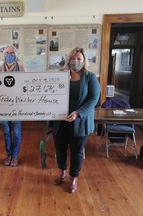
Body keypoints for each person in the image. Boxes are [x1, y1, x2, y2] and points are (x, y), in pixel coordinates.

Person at [51, 47, 100, 193]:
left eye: (79, 59)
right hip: (60, 121)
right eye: (73, 59)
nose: (76, 61)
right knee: (60, 148)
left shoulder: (90, 77)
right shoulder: (61, 75)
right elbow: (50, 94)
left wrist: (78, 113)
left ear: (84, 61)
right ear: (68, 60)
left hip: (80, 122)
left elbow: (94, 99)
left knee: (77, 151)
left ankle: (73, 177)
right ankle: (61, 172)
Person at [0, 45, 25, 167]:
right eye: (7, 53)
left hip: (18, 105)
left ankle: (15, 155)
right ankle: (8, 154)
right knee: (6, 131)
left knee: (17, 131)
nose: (9, 55)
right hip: (3, 105)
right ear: (3, 55)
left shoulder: (21, 68)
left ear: (16, 54)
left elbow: (25, 86)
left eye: (11, 52)